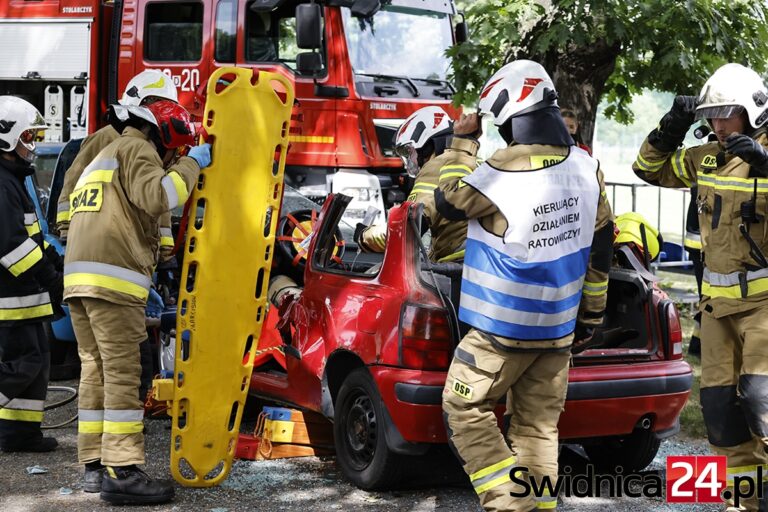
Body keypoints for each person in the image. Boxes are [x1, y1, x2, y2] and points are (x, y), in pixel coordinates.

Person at [438, 60, 614, 512]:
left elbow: (448, 200)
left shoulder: (504, 165)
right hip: (556, 329)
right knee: (537, 428)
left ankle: (508, 503)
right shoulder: (586, 167)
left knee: (464, 408)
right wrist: (591, 316)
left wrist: (462, 141)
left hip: (499, 328)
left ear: (512, 111)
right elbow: (600, 251)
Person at [632, 62, 768, 511]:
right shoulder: (706, 154)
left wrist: (764, 162)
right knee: (719, 410)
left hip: (764, 307)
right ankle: (743, 501)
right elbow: (647, 168)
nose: (717, 123)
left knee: (761, 404)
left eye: (725, 113)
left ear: (752, 110)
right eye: (711, 114)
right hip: (716, 312)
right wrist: (671, 127)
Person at [63, 100, 211, 504]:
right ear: (162, 137)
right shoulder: (138, 149)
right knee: (125, 374)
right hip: (113, 282)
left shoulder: (105, 154)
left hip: (80, 280)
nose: (172, 158)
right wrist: (192, 165)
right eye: (174, 151)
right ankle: (123, 471)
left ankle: (95, 464)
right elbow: (158, 195)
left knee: (95, 371)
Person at [55, 70, 177, 262]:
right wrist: (66, 229)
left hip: (139, 248)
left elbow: (158, 197)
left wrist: (165, 252)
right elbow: (74, 180)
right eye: (157, 104)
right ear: (140, 102)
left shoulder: (157, 144)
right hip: (103, 243)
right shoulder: (105, 137)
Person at [0, 96, 64, 452]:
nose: (32, 146)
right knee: (25, 362)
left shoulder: (13, 180)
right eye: (28, 137)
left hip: (25, 298)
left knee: (37, 364)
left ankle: (19, 434)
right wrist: (50, 278)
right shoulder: (2, 184)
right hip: (12, 298)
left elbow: (33, 238)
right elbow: (12, 247)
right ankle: (18, 434)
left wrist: (56, 265)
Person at [356, 106, 481, 263]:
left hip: (459, 266)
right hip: (481, 258)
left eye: (409, 152)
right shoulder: (472, 160)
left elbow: (406, 228)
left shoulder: (435, 167)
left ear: (427, 147)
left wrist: (365, 236)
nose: (410, 160)